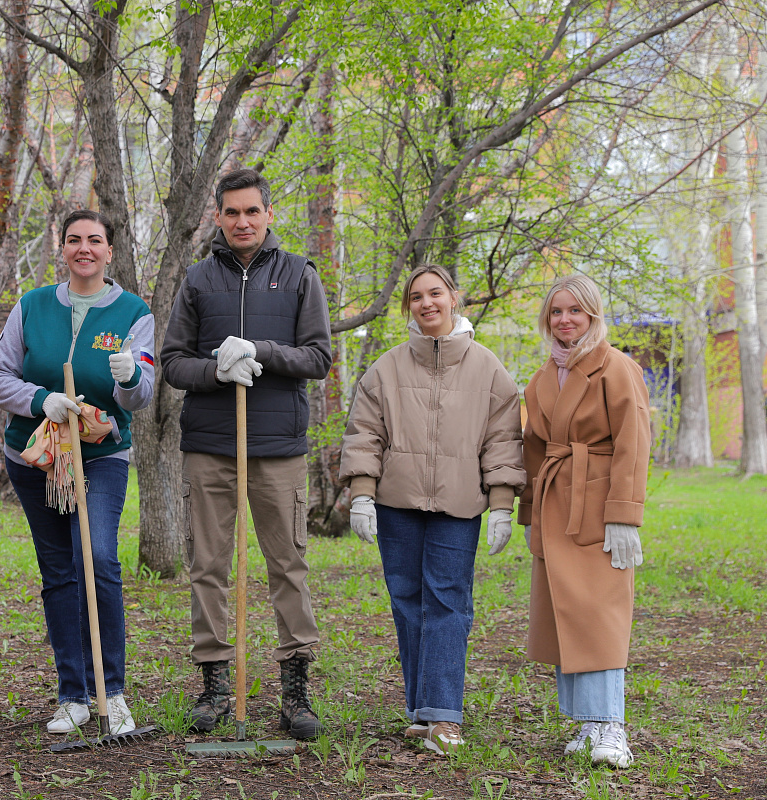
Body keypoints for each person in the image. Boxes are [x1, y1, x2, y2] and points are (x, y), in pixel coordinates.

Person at [160, 168, 332, 740]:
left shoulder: (300, 275)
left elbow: (317, 358)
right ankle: (214, 683)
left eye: (251, 211)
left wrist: (260, 351)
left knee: (288, 567)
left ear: (268, 214)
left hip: (277, 447)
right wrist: (216, 371)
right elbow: (173, 362)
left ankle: (295, 689)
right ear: (217, 216)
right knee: (208, 567)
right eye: (231, 212)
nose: (242, 221)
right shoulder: (198, 279)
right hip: (210, 446)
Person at [338, 264, 525, 754]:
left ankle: (444, 716)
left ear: (453, 298)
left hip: (458, 507)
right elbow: (365, 433)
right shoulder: (386, 368)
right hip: (396, 504)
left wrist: (501, 505)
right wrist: (362, 493)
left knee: (447, 602)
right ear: (409, 307)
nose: (427, 303)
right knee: (406, 600)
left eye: (435, 293)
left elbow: (503, 441)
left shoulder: (488, 369)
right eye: (417, 297)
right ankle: (422, 712)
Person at [0, 210, 155, 736]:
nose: (84, 248)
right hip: (33, 458)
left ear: (109, 250)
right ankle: (74, 696)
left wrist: (130, 377)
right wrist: (41, 399)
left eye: (95, 240)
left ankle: (113, 692)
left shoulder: (133, 312)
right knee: (58, 570)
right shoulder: (33, 305)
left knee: (97, 558)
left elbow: (141, 396)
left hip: (100, 458)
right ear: (62, 248)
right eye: (74, 239)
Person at [517, 274, 650, 768]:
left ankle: (611, 726)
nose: (564, 319)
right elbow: (534, 450)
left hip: (597, 505)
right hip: (555, 505)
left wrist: (624, 514)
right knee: (566, 615)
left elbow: (633, 441)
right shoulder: (541, 378)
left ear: (592, 314)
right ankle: (586, 723)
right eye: (556, 311)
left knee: (599, 613)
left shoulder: (616, 367)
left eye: (575, 310)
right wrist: (528, 513)